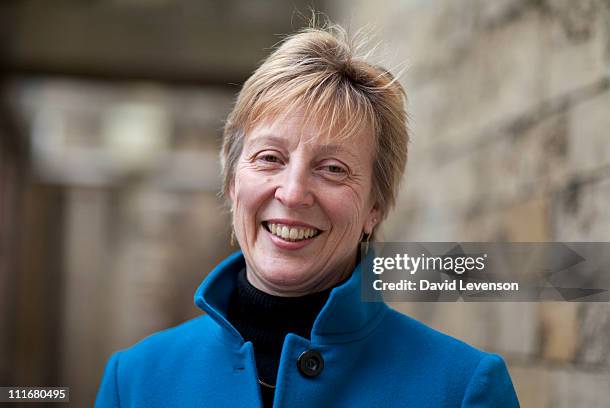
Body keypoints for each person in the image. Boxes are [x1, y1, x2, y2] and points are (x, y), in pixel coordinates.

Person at [95, 23, 520, 408]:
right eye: (269, 158)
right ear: (231, 183)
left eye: (333, 169)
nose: (294, 192)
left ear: (375, 207)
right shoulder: (133, 382)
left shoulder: (463, 389)